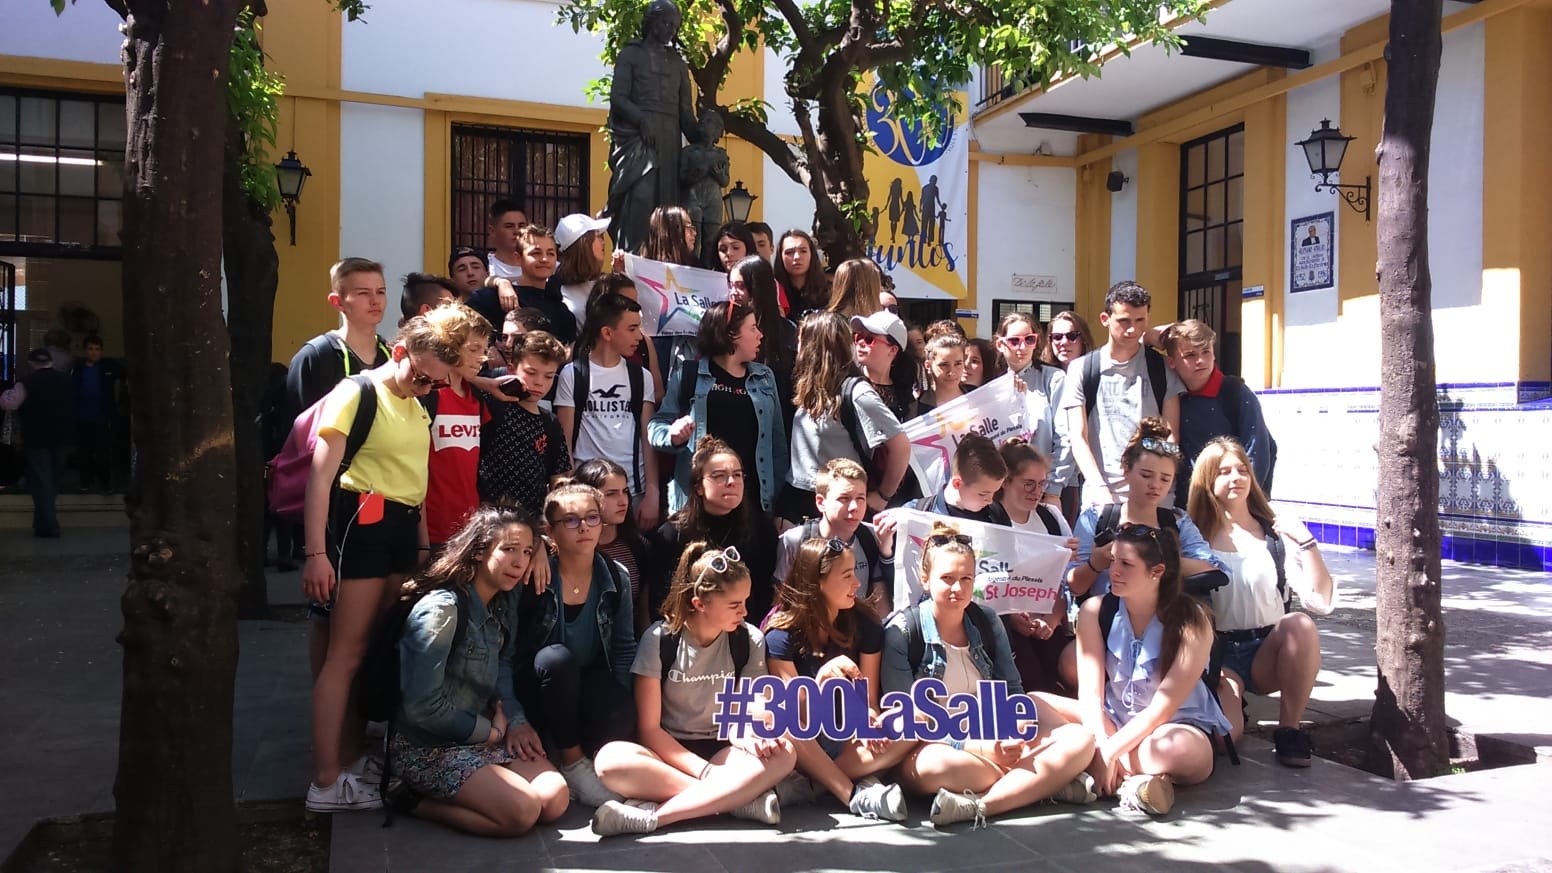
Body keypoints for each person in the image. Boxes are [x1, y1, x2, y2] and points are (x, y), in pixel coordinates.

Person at [301, 310, 473, 812]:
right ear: (399, 353)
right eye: (421, 377)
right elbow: (320, 479)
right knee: (346, 654)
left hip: (401, 529)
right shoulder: (356, 392)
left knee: (375, 651)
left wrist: (422, 549)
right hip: (361, 525)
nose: (427, 387)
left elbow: (416, 483)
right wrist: (315, 554)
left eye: (436, 383)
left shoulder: (418, 403)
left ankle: (352, 761)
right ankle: (326, 782)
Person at [881, 522, 1097, 827]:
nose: (958, 589)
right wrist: (977, 747)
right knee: (935, 767)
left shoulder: (986, 620)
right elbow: (905, 719)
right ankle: (1039, 783)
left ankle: (983, 803)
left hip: (993, 735)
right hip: (940, 746)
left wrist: (1014, 729)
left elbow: (1013, 691)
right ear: (925, 579)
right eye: (947, 579)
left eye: (966, 579)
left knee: (1080, 739)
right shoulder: (903, 631)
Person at [591, 543, 796, 836]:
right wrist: (706, 772)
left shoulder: (749, 639)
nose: (745, 611)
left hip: (725, 749)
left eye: (745, 601)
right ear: (700, 604)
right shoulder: (659, 639)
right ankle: (737, 800)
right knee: (609, 760)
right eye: (734, 605)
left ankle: (655, 817)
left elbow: (745, 713)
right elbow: (650, 731)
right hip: (669, 754)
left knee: (785, 752)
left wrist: (753, 736)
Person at [388, 506, 569, 836]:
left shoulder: (504, 599)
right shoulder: (441, 610)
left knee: (554, 799)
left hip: (484, 735)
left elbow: (503, 664)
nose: (520, 562)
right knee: (523, 811)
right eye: (509, 549)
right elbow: (421, 707)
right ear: (478, 552)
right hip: (428, 746)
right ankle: (410, 799)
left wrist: (516, 721)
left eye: (527, 552)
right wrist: (491, 732)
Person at [1050, 524, 1233, 816]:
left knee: (1177, 749)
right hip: (1112, 721)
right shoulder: (1095, 610)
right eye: (1113, 561)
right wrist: (1102, 742)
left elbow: (1162, 708)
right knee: (1033, 704)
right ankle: (1137, 783)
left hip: (1172, 727)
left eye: (1126, 564)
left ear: (1156, 571)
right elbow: (1091, 695)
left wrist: (1109, 752)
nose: (1114, 571)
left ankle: (1089, 768)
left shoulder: (1192, 619)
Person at [1187, 437, 1334, 767]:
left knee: (1300, 624)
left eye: (1242, 470)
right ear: (1206, 480)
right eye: (1224, 471)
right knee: (1225, 740)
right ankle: (1231, 704)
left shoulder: (1274, 532)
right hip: (1219, 655)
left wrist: (1307, 543)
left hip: (1267, 651)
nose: (1236, 478)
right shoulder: (1193, 535)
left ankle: (1290, 730)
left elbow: (1321, 599)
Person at [1064, 419, 1227, 690]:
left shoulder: (1177, 522)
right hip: (1107, 623)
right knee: (1072, 663)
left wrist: (1151, 557)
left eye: (1165, 479)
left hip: (1165, 624)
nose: (1155, 485)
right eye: (1146, 475)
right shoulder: (1098, 518)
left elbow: (1213, 568)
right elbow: (1072, 584)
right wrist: (1098, 561)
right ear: (1126, 471)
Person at [764, 537, 912, 820]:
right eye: (846, 576)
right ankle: (852, 793)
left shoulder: (865, 623)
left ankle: (813, 787)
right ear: (817, 583)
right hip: (806, 744)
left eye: (855, 572)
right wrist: (821, 680)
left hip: (849, 738)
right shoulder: (781, 636)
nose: (857, 583)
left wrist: (869, 722)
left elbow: (869, 701)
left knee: (917, 720)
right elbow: (798, 718)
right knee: (781, 720)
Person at [512, 481, 640, 808]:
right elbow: (508, 652)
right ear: (550, 531)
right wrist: (513, 715)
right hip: (539, 685)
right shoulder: (534, 577)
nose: (584, 527)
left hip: (586, 681)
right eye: (570, 520)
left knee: (619, 709)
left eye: (592, 517)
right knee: (557, 660)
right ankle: (571, 761)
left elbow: (624, 645)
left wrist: (621, 703)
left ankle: (584, 754)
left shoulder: (616, 575)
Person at [649, 300, 787, 515]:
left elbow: (777, 444)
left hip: (754, 503)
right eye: (752, 328)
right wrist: (672, 435)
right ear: (731, 334)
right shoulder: (689, 374)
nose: (760, 335)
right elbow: (656, 426)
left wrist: (779, 508)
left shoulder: (764, 377)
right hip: (699, 505)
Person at [1062, 281, 1185, 507]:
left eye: (1140, 321)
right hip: (1101, 495)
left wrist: (1158, 486)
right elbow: (1078, 436)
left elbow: (1171, 436)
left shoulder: (1161, 368)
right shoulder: (1082, 369)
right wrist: (1098, 487)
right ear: (1105, 319)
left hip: (1154, 498)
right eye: (1124, 321)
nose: (1132, 330)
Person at [784, 312, 909, 523]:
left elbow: (901, 445)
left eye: (801, 339)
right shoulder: (811, 386)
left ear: (815, 345)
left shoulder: (857, 392)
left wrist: (883, 496)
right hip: (798, 496)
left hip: (837, 503)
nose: (796, 345)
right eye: (857, 337)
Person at [557, 292, 661, 529]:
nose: (639, 336)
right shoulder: (573, 374)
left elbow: (648, 437)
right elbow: (565, 441)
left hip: (633, 491)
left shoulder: (641, 376)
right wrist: (569, 492)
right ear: (607, 333)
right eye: (632, 328)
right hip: (587, 491)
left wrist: (653, 493)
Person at [649, 436, 779, 623]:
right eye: (719, 476)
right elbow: (662, 601)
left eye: (737, 475)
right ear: (698, 487)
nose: (731, 482)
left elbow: (764, 595)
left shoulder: (761, 530)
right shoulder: (672, 534)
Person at [606, 0, 698, 254]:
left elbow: (686, 113)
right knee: (641, 195)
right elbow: (618, 97)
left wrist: (704, 135)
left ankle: (664, 258)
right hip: (638, 136)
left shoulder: (678, 63)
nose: (671, 30)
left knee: (668, 205)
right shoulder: (631, 55)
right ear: (652, 22)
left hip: (669, 136)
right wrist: (640, 119)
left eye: (675, 26)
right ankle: (631, 257)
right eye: (666, 23)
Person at [996, 439, 1079, 695]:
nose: (1037, 491)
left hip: (1049, 623)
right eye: (1028, 484)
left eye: (1042, 484)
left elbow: (1063, 582)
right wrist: (1012, 618)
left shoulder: (1051, 517)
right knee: (1031, 688)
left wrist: (1051, 620)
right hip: (1005, 630)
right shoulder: (988, 520)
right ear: (1005, 481)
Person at [1164, 319, 1277, 501]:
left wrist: (1244, 504)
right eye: (1190, 355)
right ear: (1171, 362)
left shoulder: (1235, 392)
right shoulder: (1171, 397)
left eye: (1206, 352)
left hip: (1233, 501)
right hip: (1188, 503)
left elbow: (1257, 451)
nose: (1201, 360)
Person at [773, 458, 897, 612]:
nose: (854, 507)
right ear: (821, 502)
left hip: (858, 623)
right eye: (844, 499)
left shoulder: (872, 537)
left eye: (860, 498)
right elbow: (781, 603)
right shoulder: (795, 541)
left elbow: (880, 601)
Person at [283, 257, 392, 428]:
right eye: (363, 293)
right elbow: (297, 429)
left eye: (380, 292)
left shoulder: (393, 355)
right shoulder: (314, 357)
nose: (375, 300)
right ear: (337, 302)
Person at [421, 306, 496, 550]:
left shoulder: (476, 398)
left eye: (484, 350)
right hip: (429, 529)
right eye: (473, 349)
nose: (481, 358)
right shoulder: (426, 395)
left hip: (469, 529)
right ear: (448, 344)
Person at [477, 331, 572, 516]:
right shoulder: (491, 405)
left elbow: (558, 476)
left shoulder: (550, 422)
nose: (539, 383)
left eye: (549, 376)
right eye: (531, 373)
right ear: (512, 369)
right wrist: (487, 384)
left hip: (532, 520)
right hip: (490, 517)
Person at [996, 312, 1071, 509]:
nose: (1022, 347)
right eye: (1014, 341)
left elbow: (1066, 437)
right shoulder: (994, 388)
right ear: (1000, 344)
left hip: (1046, 491)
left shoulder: (1053, 379)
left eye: (1029, 340)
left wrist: (1053, 489)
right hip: (1004, 492)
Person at [571, 458, 652, 635]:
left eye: (625, 492)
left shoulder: (638, 547)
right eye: (611, 494)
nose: (623, 501)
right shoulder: (569, 547)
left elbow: (643, 614)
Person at [0, 348, 75, 538]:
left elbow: (10, 404)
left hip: (36, 439)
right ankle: (41, 523)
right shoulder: (66, 380)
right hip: (62, 437)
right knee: (53, 481)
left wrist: (6, 393)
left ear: (31, 363)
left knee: (41, 482)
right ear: (50, 362)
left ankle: (49, 526)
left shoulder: (26, 382)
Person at [727, 255, 796, 430]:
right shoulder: (727, 328)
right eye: (731, 285)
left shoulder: (789, 331)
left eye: (740, 286)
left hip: (781, 421)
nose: (733, 292)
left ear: (757, 287)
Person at [72, 335, 123, 494]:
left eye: (97, 349)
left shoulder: (109, 366)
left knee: (102, 452)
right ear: (85, 350)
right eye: (91, 349)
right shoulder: (78, 368)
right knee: (84, 452)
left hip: (102, 416)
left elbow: (126, 374)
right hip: (81, 416)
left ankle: (105, 484)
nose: (94, 352)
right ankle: (85, 482)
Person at [680, 112, 731, 265]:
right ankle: (691, 267)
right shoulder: (688, 152)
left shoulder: (721, 154)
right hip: (692, 198)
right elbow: (681, 177)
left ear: (717, 130)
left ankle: (708, 269)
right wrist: (696, 174)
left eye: (708, 121)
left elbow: (725, 181)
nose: (703, 122)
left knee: (711, 241)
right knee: (692, 238)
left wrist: (719, 175)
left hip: (713, 199)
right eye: (701, 120)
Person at [851, 310, 918, 423]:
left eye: (869, 339)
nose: (861, 343)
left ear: (893, 350)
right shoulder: (848, 384)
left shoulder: (904, 396)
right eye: (859, 337)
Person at [552, 213, 612, 334]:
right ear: (584, 244)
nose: (603, 242)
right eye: (598, 237)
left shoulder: (606, 283)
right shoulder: (553, 288)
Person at [774, 229, 829, 317]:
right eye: (789, 252)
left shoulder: (829, 293)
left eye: (803, 251)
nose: (797, 257)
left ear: (812, 254)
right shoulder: (774, 294)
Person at [916, 332, 967, 412]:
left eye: (958, 364)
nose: (951, 372)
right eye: (944, 365)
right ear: (928, 366)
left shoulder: (977, 394)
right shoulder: (917, 407)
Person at [484, 199, 529, 279]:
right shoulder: (484, 267)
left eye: (521, 226)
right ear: (492, 231)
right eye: (509, 226)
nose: (517, 231)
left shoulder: (544, 265)